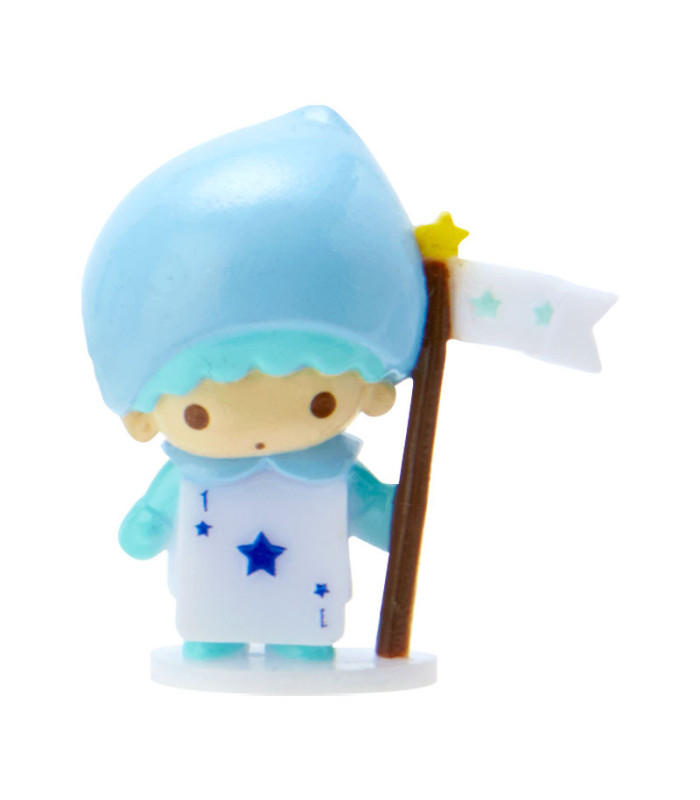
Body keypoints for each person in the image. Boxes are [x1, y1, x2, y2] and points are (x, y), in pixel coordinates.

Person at [82, 106, 427, 660]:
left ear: (371, 390)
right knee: (211, 618)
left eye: (319, 402)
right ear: (145, 414)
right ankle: (214, 637)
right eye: (199, 414)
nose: (261, 430)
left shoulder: (331, 474)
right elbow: (148, 524)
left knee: (306, 628)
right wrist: (148, 521)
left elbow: (378, 520)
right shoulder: (192, 478)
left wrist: (396, 518)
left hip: (309, 602)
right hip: (212, 597)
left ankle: (302, 644)